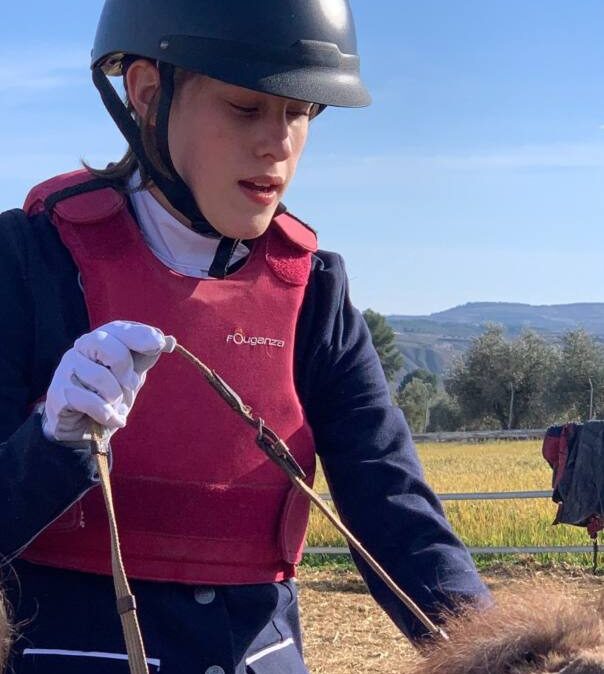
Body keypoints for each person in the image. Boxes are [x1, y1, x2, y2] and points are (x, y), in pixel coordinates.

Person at [0, 1, 489, 672]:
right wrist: (50, 445)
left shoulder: (315, 289)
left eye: (299, 113)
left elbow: (393, 508)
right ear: (148, 94)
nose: (278, 144)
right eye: (245, 108)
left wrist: (508, 654)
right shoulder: (28, 262)